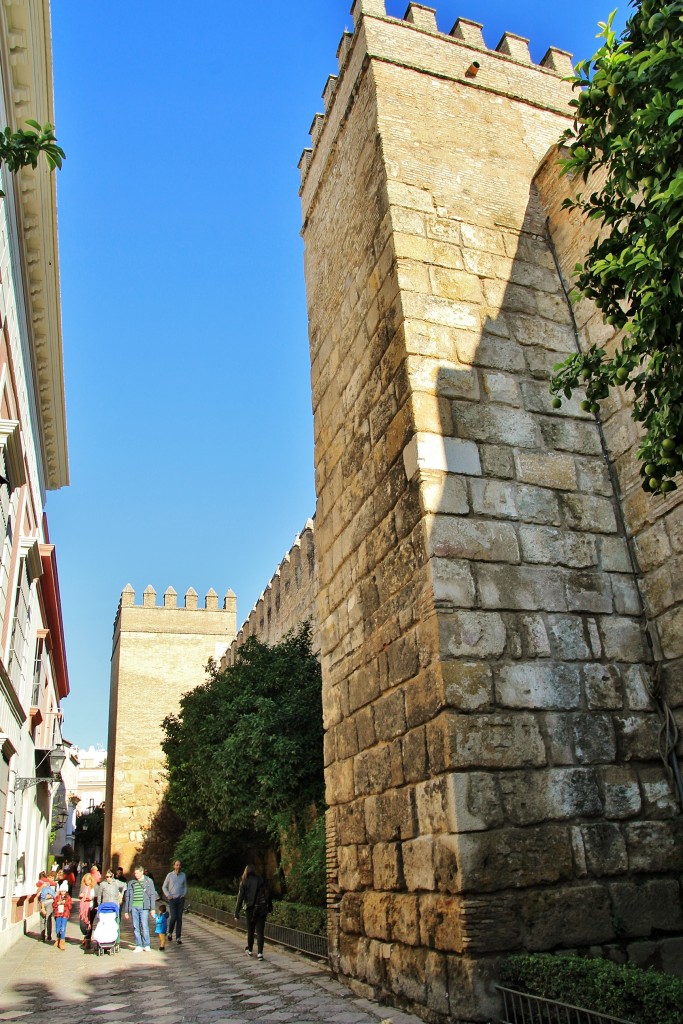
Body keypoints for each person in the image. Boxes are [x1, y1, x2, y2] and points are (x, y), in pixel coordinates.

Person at [235, 864, 272, 961]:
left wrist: (236, 913)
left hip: (250, 909)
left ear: (246, 871)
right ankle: (260, 953)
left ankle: (250, 950)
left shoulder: (244, 881)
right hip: (261, 908)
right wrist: (269, 907)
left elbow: (240, 898)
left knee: (250, 931)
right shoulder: (260, 880)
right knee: (260, 932)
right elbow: (267, 893)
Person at [123, 865, 157, 952]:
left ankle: (146, 944)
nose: (136, 875)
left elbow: (152, 894)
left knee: (144, 925)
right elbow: (128, 896)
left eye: (137, 873)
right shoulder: (132, 883)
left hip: (144, 906)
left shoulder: (148, 881)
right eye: (135, 873)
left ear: (142, 872)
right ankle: (138, 944)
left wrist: (152, 908)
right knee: (136, 926)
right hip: (134, 906)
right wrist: (126, 910)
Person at [161, 859, 187, 945]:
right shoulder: (169, 875)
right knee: (174, 917)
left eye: (179, 865)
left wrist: (184, 894)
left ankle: (178, 937)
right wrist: (168, 895)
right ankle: (170, 932)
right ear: (174, 866)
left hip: (180, 899)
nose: (178, 867)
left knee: (179, 918)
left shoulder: (183, 875)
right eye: (176, 865)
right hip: (172, 899)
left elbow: (185, 886)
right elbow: (164, 887)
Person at [78, 872, 97, 949]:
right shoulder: (83, 887)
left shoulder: (94, 887)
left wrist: (92, 898)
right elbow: (80, 895)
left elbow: (96, 896)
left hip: (91, 907)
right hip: (83, 908)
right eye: (85, 881)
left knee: (90, 924)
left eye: (88, 880)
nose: (87, 882)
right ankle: (85, 936)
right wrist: (81, 896)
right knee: (82, 924)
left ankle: (88, 941)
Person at [38, 873, 57, 943]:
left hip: (50, 902)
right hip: (42, 902)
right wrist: (42, 887)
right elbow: (37, 892)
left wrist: (48, 896)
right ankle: (42, 935)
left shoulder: (54, 885)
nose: (50, 879)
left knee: (48, 918)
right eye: (49, 877)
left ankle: (49, 935)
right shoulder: (42, 884)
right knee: (42, 919)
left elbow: (56, 895)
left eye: (52, 877)